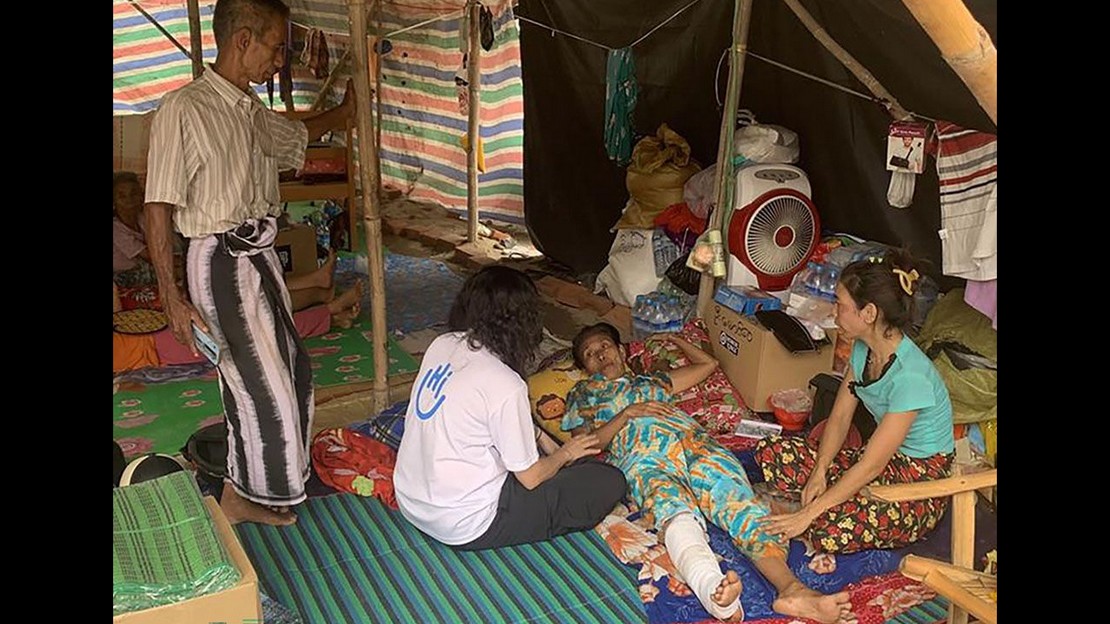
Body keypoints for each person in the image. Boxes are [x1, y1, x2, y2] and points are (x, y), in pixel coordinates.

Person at [142, 0, 356, 526]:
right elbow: (156, 207)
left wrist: (348, 114)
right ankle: (245, 495)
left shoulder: (249, 110)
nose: (280, 60)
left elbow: (299, 138)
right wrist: (173, 297)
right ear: (243, 40)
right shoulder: (185, 109)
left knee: (295, 374)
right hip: (217, 258)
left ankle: (264, 485)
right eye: (276, 46)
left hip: (256, 256)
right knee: (259, 382)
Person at [563, 323, 853, 623]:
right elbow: (584, 445)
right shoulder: (584, 394)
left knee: (740, 505)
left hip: (695, 445)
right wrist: (626, 415)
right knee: (674, 512)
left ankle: (792, 590)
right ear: (585, 368)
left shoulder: (653, 382)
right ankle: (716, 594)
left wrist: (675, 339)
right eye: (590, 354)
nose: (600, 355)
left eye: (605, 346)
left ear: (622, 350)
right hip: (644, 459)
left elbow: (709, 364)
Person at [393, 266, 627, 551]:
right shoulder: (506, 383)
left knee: (563, 459)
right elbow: (530, 479)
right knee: (609, 481)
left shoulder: (442, 343)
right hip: (463, 522)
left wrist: (546, 442)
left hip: (411, 499)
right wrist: (567, 452)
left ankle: (568, 465)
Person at [755, 250, 955, 555]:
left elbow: (873, 464)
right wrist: (820, 471)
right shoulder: (863, 350)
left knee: (830, 528)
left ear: (869, 314)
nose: (835, 314)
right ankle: (838, 496)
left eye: (840, 305)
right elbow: (839, 419)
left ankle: (830, 506)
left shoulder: (911, 377)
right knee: (772, 453)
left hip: (917, 480)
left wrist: (809, 513)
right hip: (878, 459)